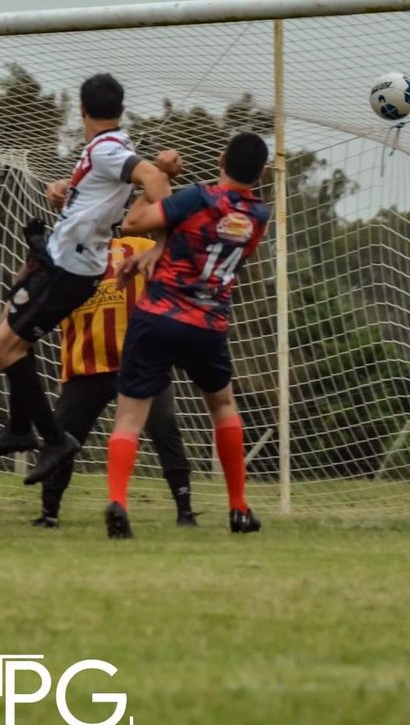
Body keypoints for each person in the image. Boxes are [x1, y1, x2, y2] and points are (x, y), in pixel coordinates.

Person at [0, 73, 179, 487]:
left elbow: (153, 181)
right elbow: (108, 191)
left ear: (82, 110)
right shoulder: (108, 149)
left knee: (2, 352)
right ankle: (19, 427)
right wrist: (65, 191)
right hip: (57, 258)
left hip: (70, 269)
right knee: (10, 333)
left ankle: (53, 439)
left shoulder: (106, 150)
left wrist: (166, 241)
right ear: (120, 111)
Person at [103, 132, 272, 539]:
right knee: (224, 407)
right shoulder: (259, 217)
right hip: (209, 323)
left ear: (220, 159)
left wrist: (159, 175)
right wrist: (161, 248)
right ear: (261, 173)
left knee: (130, 418)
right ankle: (237, 508)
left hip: (159, 314)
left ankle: (118, 501)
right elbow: (213, 250)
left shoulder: (198, 197)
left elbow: (133, 222)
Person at [32, 234, 195, 529]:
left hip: (142, 360)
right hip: (86, 364)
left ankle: (185, 511)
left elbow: (178, 282)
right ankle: (49, 512)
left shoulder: (144, 247)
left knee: (166, 432)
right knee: (63, 439)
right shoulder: (65, 250)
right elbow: (35, 288)